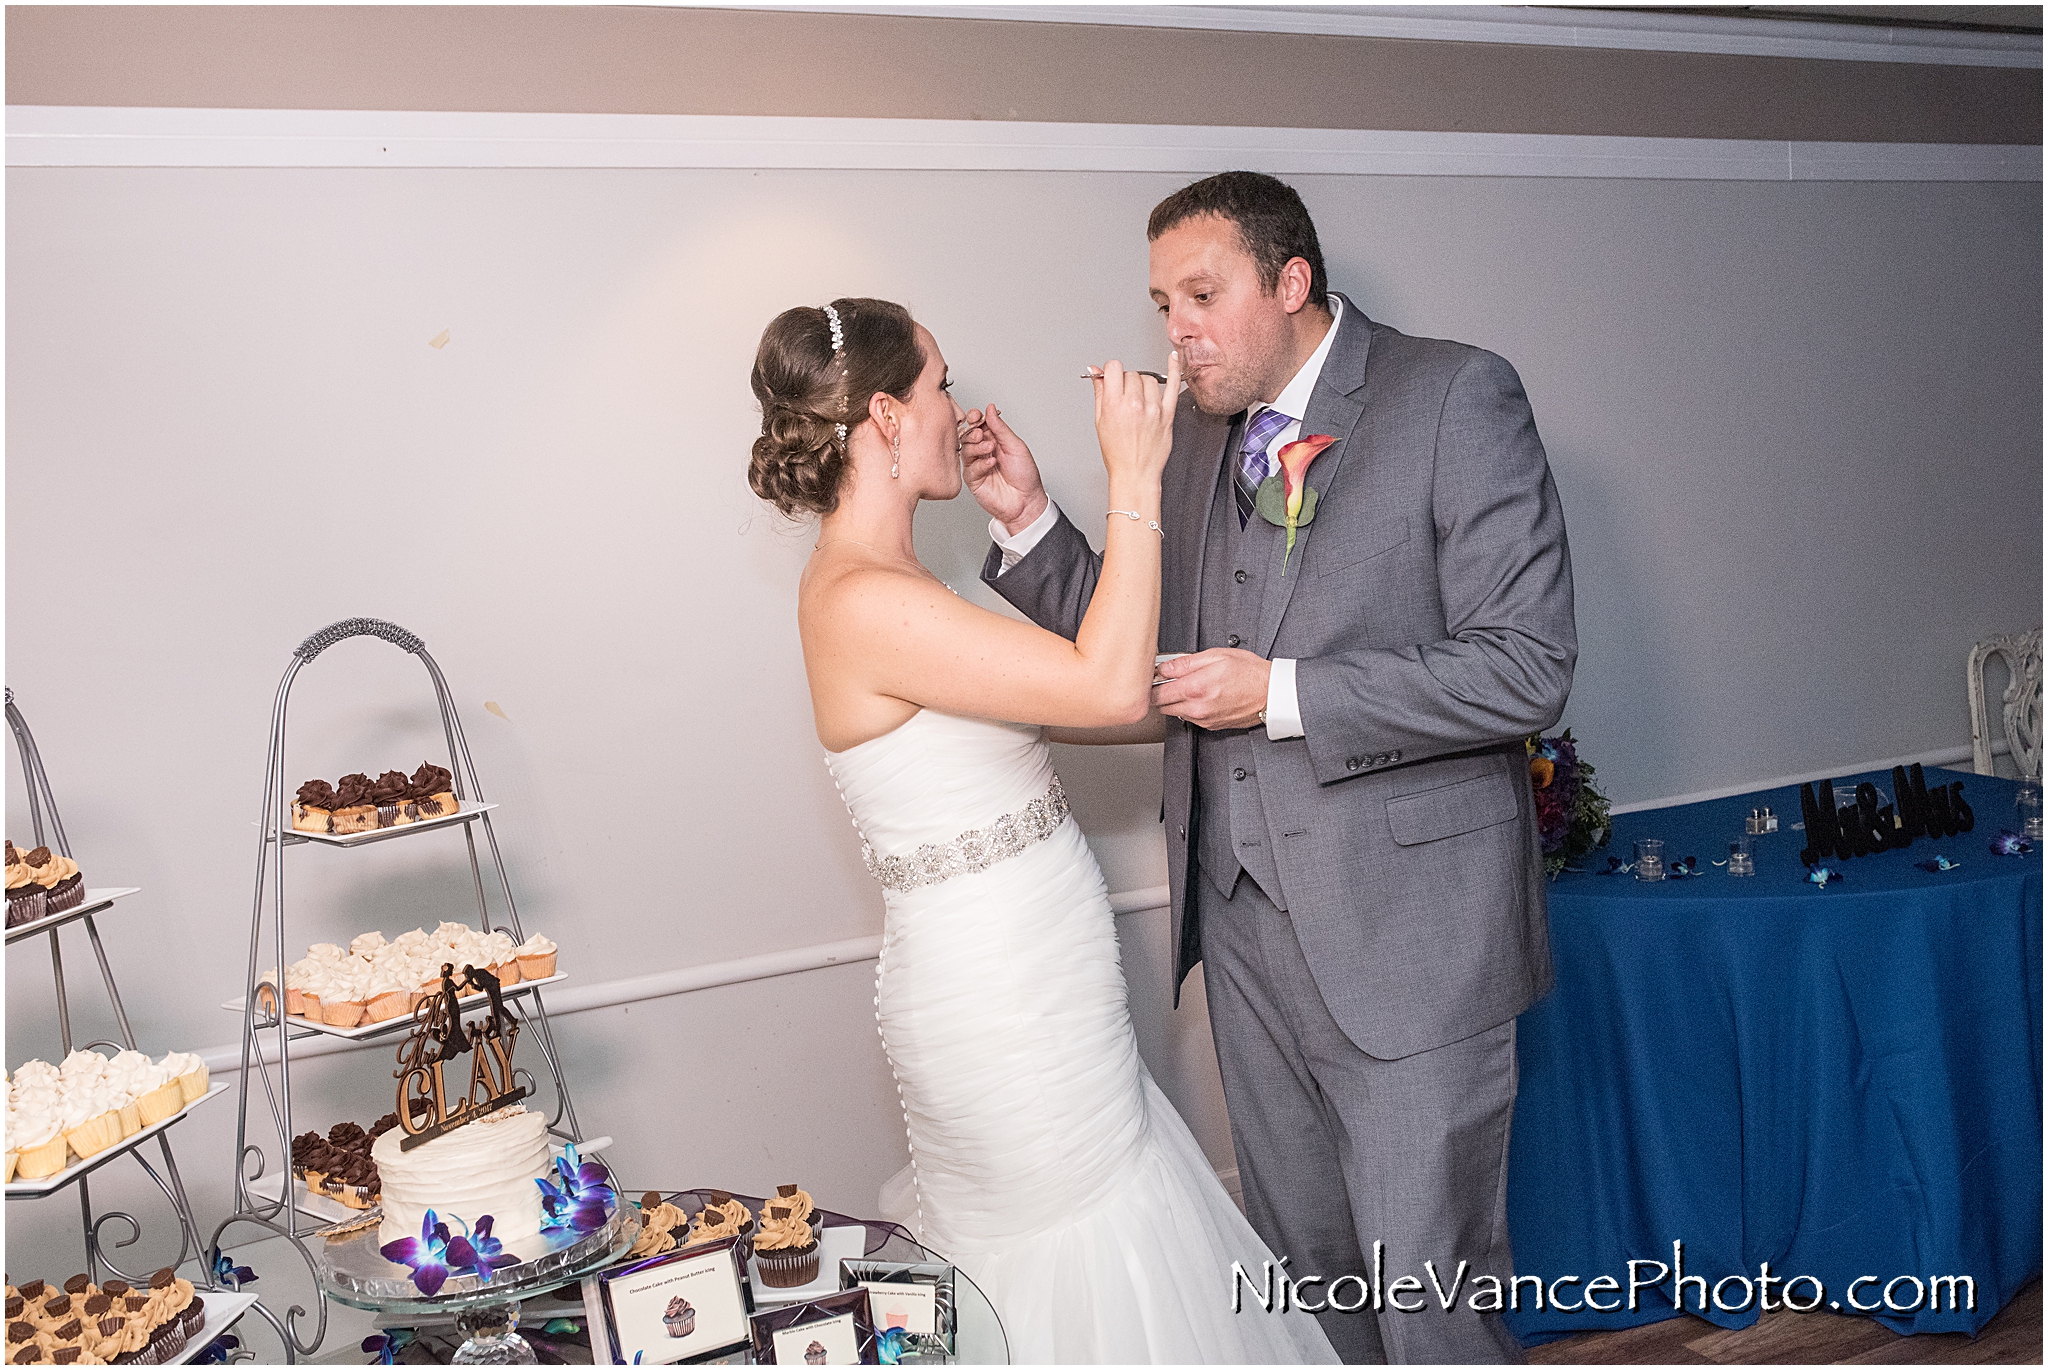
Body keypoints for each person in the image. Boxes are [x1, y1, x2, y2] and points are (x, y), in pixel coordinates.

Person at [962, 171, 1576, 1364]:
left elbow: (1526, 667)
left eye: (1201, 293)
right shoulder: (1202, 432)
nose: (1175, 329)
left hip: (1410, 942)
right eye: (1161, 303)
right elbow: (1147, 648)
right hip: (1240, 931)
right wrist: (1031, 522)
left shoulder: (1452, 394)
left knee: (1426, 1288)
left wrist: (1284, 693)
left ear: (1291, 283)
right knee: (1307, 1282)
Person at [747, 296, 1337, 1364]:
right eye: (936, 386)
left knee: (1109, 1233)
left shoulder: (909, 584)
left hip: (1043, 980)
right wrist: (1132, 478)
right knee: (1073, 1252)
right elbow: (1109, 690)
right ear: (884, 415)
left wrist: (1028, 516)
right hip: (997, 1005)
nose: (953, 408)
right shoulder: (860, 600)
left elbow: (1112, 701)